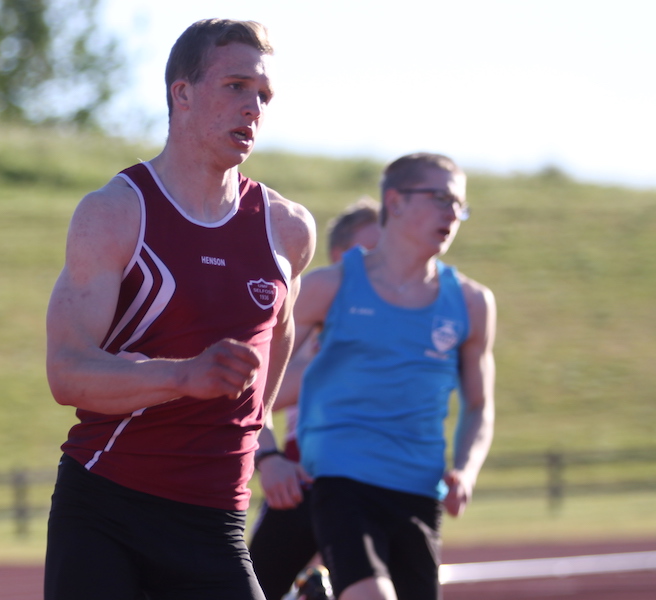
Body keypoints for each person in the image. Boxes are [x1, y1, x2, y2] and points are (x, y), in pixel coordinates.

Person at [42, 19, 315, 600]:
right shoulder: (116, 213)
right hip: (106, 510)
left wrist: (256, 433)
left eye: (263, 95)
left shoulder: (288, 229)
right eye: (236, 86)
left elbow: (279, 337)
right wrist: (184, 376)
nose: (253, 108)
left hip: (215, 521)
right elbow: (67, 373)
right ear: (182, 93)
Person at [292, 153, 496, 600]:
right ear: (396, 201)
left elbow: (479, 405)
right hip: (342, 481)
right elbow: (260, 378)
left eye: (459, 204)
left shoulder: (471, 302)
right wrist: (267, 454)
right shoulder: (328, 287)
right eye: (440, 198)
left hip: (419, 491)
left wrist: (466, 470)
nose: (452, 213)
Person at [249, 197, 381, 600]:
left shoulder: (407, 314)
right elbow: (255, 395)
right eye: (371, 250)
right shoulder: (307, 318)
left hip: (378, 482)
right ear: (339, 255)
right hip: (305, 479)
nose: (384, 261)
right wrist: (269, 459)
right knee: (254, 587)